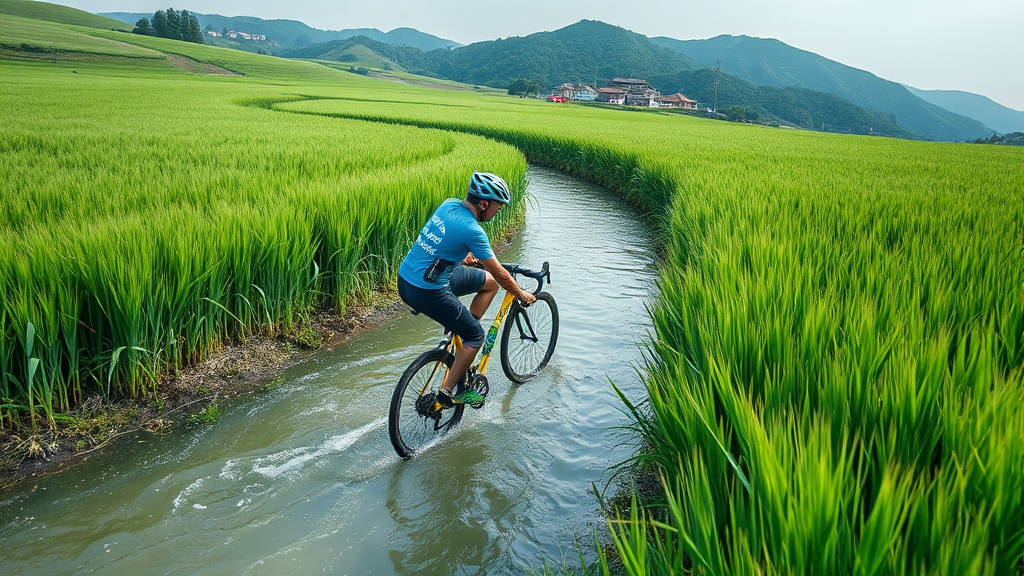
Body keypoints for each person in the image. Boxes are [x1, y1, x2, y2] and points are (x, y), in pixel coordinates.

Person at [397, 171, 537, 409]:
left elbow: (440, 242)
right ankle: (444, 394)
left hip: (407, 279)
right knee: (476, 336)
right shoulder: (473, 230)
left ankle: (462, 328)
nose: (496, 213)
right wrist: (520, 293)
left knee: (489, 283)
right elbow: (503, 275)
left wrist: (463, 256)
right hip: (427, 290)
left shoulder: (449, 205)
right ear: (484, 204)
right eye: (497, 207)